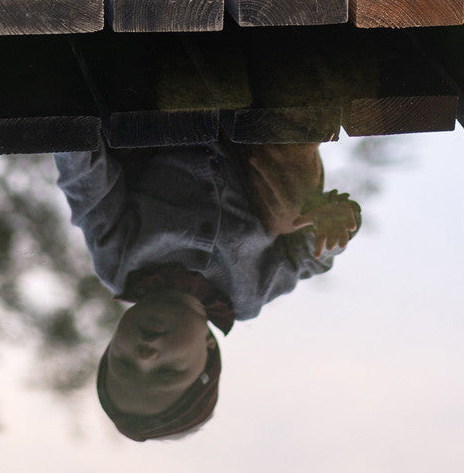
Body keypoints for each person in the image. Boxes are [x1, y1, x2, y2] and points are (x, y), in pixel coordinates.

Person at [55, 137, 362, 441]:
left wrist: (70, 132)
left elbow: (89, 191)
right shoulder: (250, 293)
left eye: (123, 362)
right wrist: (330, 228)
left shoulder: (119, 263)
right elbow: (308, 260)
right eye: (167, 372)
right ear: (209, 349)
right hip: (255, 145)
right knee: (291, 214)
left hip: (160, 128)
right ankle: (290, 108)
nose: (145, 356)